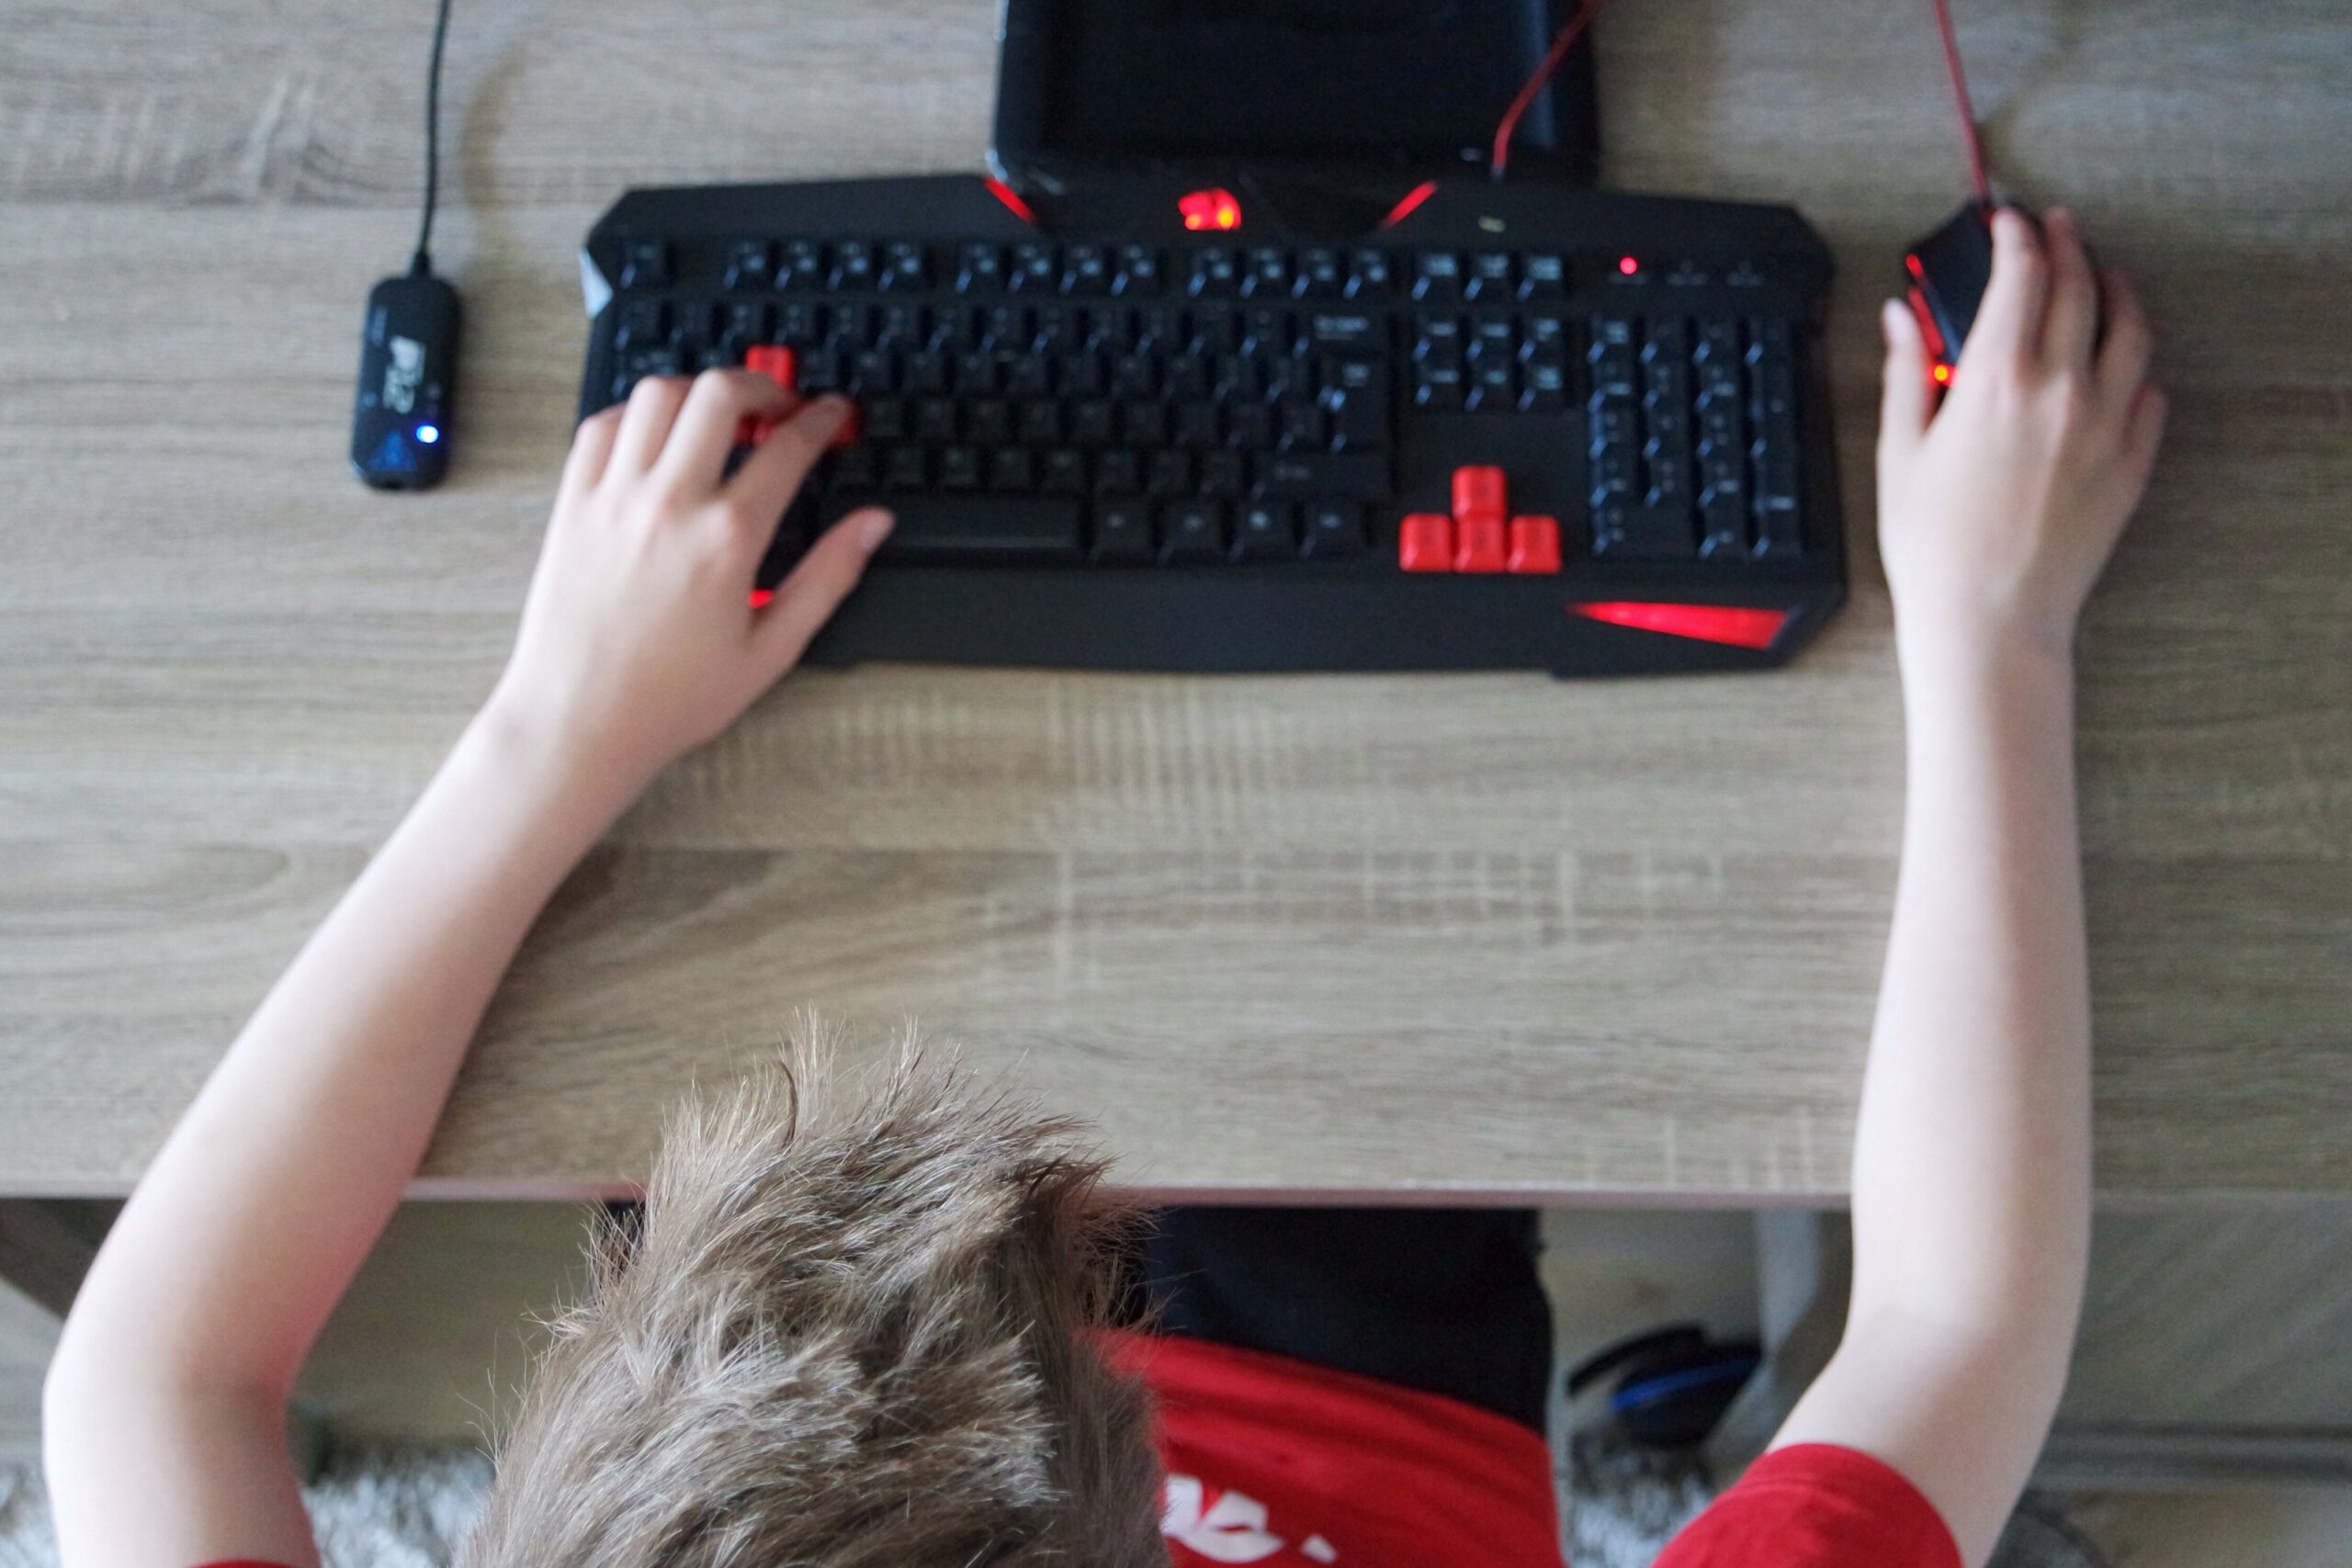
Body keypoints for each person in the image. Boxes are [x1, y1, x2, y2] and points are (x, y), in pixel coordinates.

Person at [41, 206, 2162, 1568]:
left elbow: (150, 1385)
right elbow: (1959, 1322)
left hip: (771, 1310)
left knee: (764, 913)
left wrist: (552, 731)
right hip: (1371, 1383)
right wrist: (1998, 628)